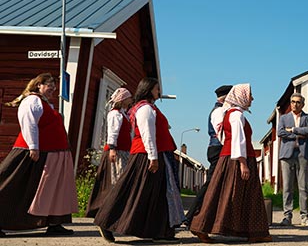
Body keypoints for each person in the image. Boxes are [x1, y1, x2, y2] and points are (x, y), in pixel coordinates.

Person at [94, 77, 185, 243]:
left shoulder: (147, 108)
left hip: (151, 154)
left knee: (150, 193)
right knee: (135, 191)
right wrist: (153, 157)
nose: (159, 92)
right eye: (157, 88)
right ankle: (107, 221)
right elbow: (147, 134)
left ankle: (158, 230)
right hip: (146, 155)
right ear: (149, 89)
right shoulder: (145, 109)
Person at [190, 83, 272, 243]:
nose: (252, 99)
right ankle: (255, 232)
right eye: (249, 95)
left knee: (221, 193)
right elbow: (237, 140)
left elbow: (223, 136)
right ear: (241, 96)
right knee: (245, 195)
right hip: (238, 158)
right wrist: (242, 163)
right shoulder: (236, 115)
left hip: (229, 157)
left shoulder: (229, 113)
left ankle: (203, 227)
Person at [0, 73, 78, 237]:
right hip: (34, 152)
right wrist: (33, 147)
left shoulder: (45, 103)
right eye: (49, 85)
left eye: (54, 86)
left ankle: (54, 223)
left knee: (54, 191)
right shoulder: (32, 101)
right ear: (38, 85)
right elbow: (29, 124)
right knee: (13, 185)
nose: (53, 89)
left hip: (53, 154)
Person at [184, 84, 232, 226]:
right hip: (218, 149)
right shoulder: (218, 111)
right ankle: (191, 215)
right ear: (226, 97)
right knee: (211, 182)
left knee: (217, 183)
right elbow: (220, 133)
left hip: (218, 148)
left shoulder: (222, 110)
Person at [85, 87, 133, 218]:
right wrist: (112, 148)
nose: (130, 99)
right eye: (128, 97)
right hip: (116, 151)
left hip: (124, 151)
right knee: (115, 180)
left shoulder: (124, 114)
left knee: (120, 180)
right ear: (122, 99)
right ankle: (107, 211)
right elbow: (113, 132)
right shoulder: (115, 114)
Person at [278, 93, 308, 227]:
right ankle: (287, 216)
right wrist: (300, 134)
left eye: (298, 102)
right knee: (287, 187)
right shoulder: (283, 118)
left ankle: (304, 216)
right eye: (293, 102)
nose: (295, 104)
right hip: (287, 155)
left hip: (303, 154)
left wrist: (293, 130)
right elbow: (280, 133)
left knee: (303, 187)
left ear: (302, 104)